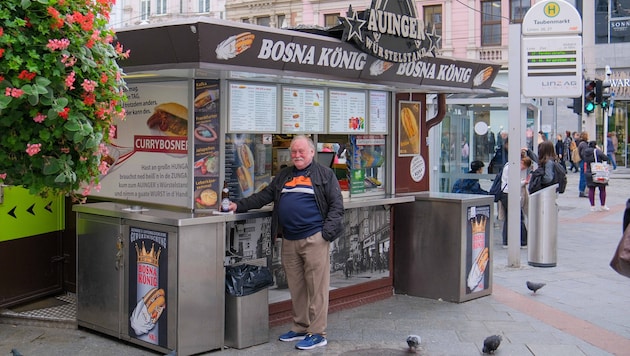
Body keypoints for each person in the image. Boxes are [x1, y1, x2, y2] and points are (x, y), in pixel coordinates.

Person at [228, 135, 344, 350]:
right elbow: (264, 196)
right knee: (297, 287)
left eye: (301, 151)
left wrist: (324, 234)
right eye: (293, 152)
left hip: (314, 238)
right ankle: (300, 327)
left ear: (311, 152)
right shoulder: (284, 175)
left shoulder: (325, 175)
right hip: (289, 239)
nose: (297, 155)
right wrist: (238, 205)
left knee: (317, 289)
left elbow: (337, 207)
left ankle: (318, 333)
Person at [582, 140, 609, 212]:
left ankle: (592, 206)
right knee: (602, 188)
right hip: (598, 171)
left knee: (591, 189)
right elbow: (605, 158)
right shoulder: (597, 151)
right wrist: (599, 149)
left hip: (589, 171)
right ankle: (602, 205)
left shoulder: (585, 152)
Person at [577, 131, 590, 198]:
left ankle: (581, 191)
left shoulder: (581, 143)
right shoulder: (584, 144)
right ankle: (582, 191)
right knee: (583, 176)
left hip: (582, 161)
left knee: (583, 176)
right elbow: (584, 154)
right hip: (584, 161)